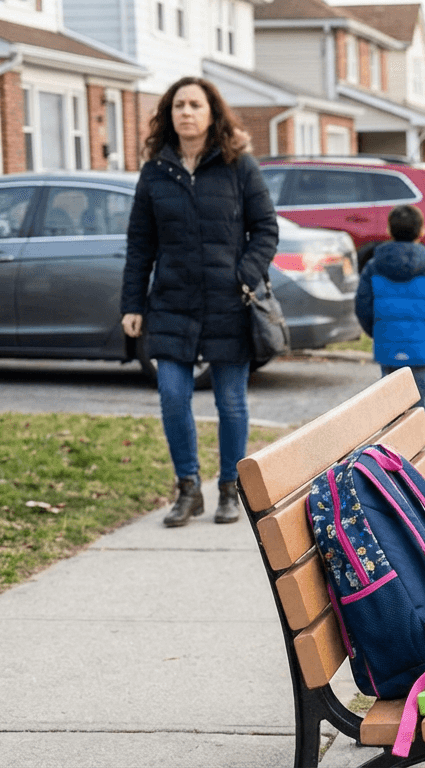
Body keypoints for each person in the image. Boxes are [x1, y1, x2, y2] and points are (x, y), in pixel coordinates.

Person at [121, 76, 279, 528]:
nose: (186, 112)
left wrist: (242, 275)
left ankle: (230, 488)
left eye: (195, 104)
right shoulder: (155, 171)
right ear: (168, 115)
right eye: (178, 106)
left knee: (230, 402)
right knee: (173, 396)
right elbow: (140, 244)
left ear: (212, 113)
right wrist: (132, 303)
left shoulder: (238, 165)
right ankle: (188, 489)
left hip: (228, 304)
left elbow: (265, 229)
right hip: (171, 302)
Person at [354, 204, 425, 412]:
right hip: (420, 346)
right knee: (417, 408)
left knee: (390, 409)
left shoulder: (373, 267)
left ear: (389, 230)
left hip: (387, 344)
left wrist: (377, 331)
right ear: (421, 231)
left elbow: (363, 305)